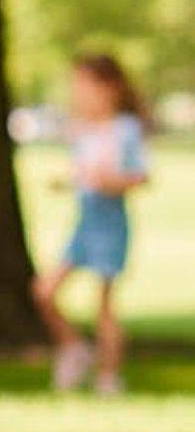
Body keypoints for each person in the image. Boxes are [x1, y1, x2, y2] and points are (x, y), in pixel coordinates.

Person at [33, 54, 151, 396]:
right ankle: (74, 348)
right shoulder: (84, 131)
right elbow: (82, 173)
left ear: (110, 88)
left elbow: (139, 176)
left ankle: (109, 377)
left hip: (110, 225)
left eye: (86, 87)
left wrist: (108, 182)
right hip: (84, 225)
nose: (80, 95)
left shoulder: (124, 129)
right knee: (44, 291)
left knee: (104, 305)